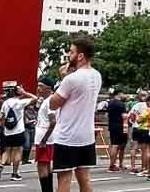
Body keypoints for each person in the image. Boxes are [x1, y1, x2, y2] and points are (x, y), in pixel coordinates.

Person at [48, 36, 103, 192]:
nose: (68, 55)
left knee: (64, 181)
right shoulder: (97, 75)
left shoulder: (71, 79)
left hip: (67, 137)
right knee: (84, 180)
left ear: (80, 56)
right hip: (86, 136)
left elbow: (53, 104)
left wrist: (62, 79)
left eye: (71, 52)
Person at [0, 81, 38, 181]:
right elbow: (35, 99)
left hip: (8, 132)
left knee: (7, 150)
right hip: (19, 131)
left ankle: (1, 165)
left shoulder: (5, 103)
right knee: (18, 151)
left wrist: (5, 127)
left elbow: (2, 118)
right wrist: (24, 92)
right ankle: (15, 174)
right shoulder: (19, 102)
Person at [33, 78, 59, 192]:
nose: (38, 88)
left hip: (45, 138)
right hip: (45, 137)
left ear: (48, 88)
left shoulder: (49, 101)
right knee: (46, 165)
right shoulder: (46, 100)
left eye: (41, 86)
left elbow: (53, 121)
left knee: (42, 166)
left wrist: (44, 140)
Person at [103, 88, 127, 172]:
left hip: (112, 126)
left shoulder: (110, 103)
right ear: (119, 93)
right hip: (120, 126)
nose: (124, 95)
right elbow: (124, 116)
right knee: (118, 145)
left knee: (115, 144)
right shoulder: (121, 104)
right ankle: (113, 165)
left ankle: (115, 164)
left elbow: (106, 115)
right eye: (123, 93)